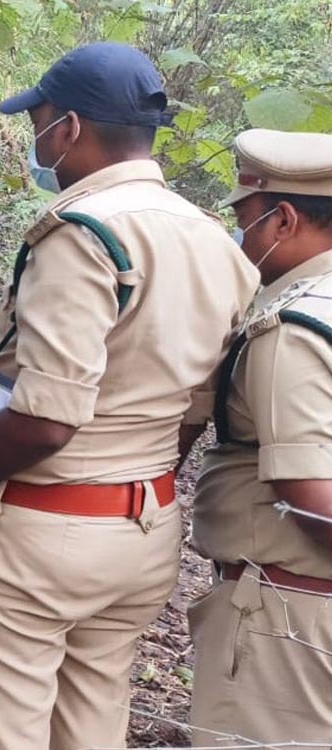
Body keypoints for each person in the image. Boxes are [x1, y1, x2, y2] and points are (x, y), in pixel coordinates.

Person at [0, 43, 257, 749]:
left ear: (67, 127)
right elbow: (199, 404)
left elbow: (46, 417)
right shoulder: (215, 241)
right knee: (93, 719)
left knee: (4, 730)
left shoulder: (85, 234)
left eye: (39, 121)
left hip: (40, 533)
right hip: (144, 527)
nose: (38, 139)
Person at [188, 128, 332, 746]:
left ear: (284, 219)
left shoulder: (292, 329)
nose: (240, 235)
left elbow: (309, 496)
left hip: (286, 616)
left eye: (245, 218)